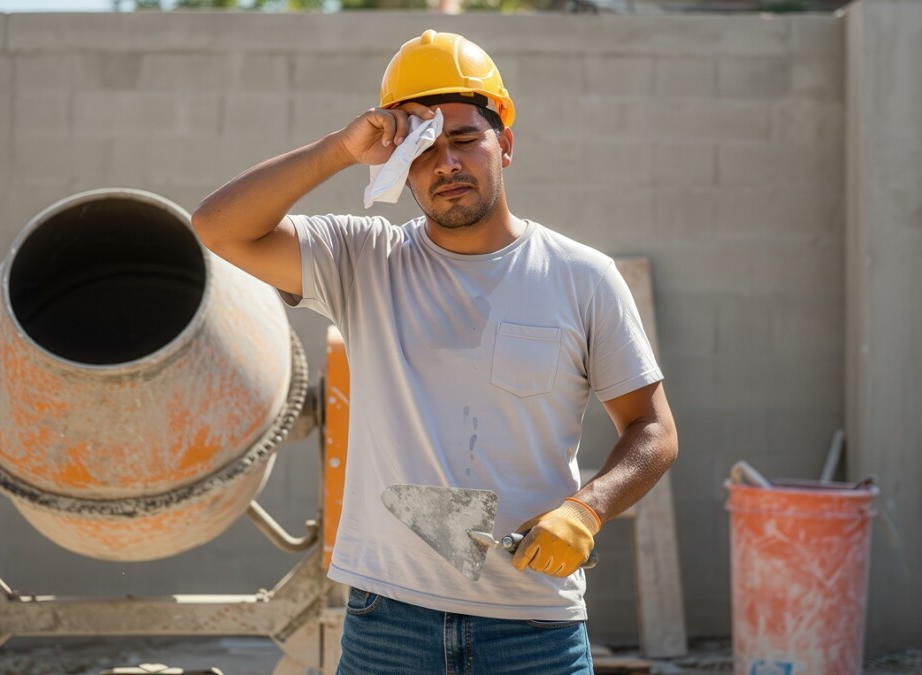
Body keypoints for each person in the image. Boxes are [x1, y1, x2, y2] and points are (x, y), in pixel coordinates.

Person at [192, 29, 678, 675]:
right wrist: (342, 149)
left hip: (534, 627)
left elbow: (653, 430)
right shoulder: (363, 260)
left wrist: (587, 511)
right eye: (422, 147)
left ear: (505, 145)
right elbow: (217, 227)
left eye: (465, 139)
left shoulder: (581, 276)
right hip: (389, 622)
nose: (445, 163)